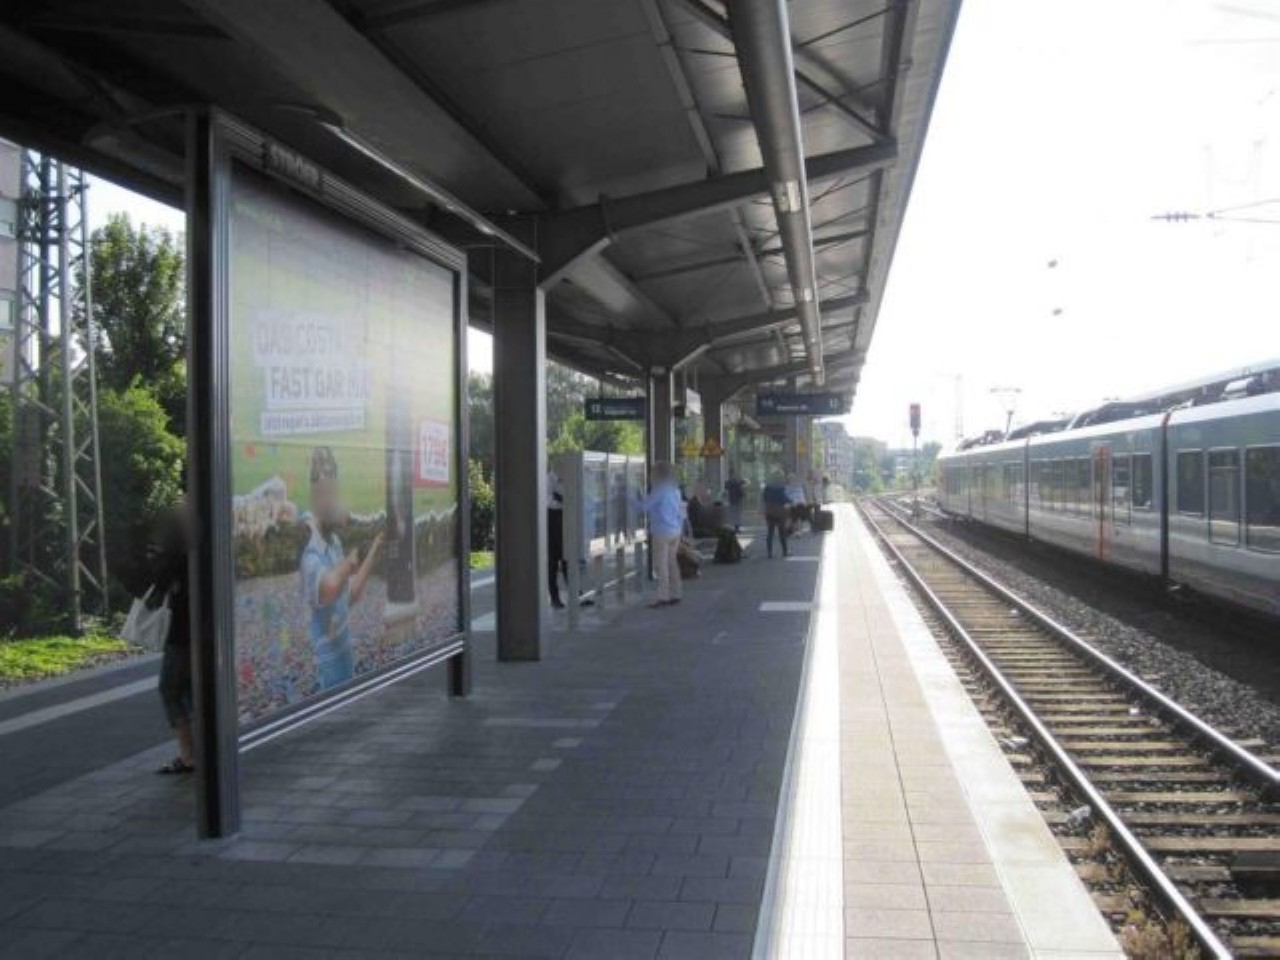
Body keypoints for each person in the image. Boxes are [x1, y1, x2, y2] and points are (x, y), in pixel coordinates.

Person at [300, 447, 383, 691]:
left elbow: (348, 596)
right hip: (323, 678)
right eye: (325, 493)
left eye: (334, 492)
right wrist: (348, 564)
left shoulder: (334, 542)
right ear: (314, 497)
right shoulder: (309, 548)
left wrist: (375, 549)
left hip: (344, 671)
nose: (333, 501)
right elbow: (327, 589)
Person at [154, 502, 194, 775]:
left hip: (181, 634)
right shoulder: (202, 551)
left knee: (169, 689)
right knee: (189, 692)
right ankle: (196, 751)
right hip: (199, 634)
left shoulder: (177, 555)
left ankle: (189, 755)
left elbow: (156, 582)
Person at [634, 461, 685, 607]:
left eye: (652, 473)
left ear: (657, 474)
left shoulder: (659, 490)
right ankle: (677, 593)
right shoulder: (675, 490)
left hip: (662, 532)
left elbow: (644, 506)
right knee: (672, 563)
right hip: (675, 531)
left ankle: (663, 597)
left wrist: (631, 499)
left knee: (661, 565)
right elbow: (680, 512)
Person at [548, 468, 568, 609]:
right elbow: (551, 500)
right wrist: (563, 498)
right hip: (552, 519)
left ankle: (576, 594)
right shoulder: (548, 479)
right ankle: (555, 598)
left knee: (567, 558)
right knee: (553, 562)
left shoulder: (564, 478)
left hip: (563, 517)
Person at [762, 472, 792, 559]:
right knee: (782, 532)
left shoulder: (767, 487)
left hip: (769, 512)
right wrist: (790, 500)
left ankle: (769, 553)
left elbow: (764, 498)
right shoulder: (781, 488)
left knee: (770, 532)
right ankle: (785, 552)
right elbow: (784, 499)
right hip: (779, 513)